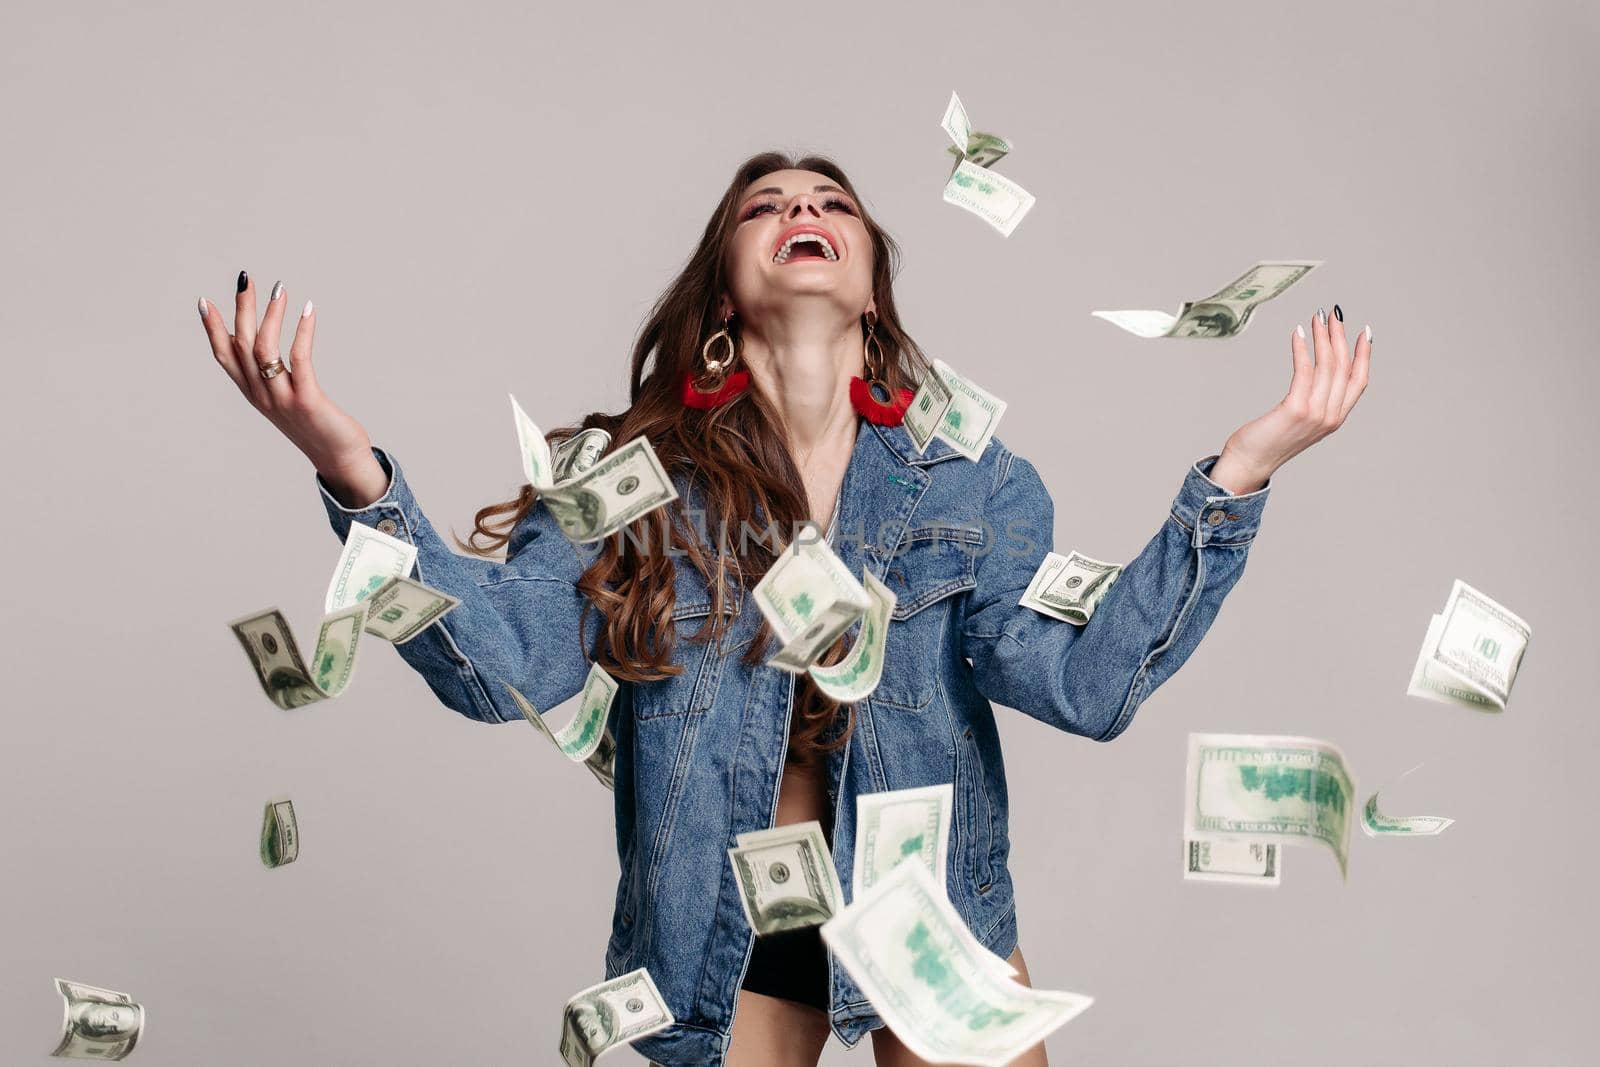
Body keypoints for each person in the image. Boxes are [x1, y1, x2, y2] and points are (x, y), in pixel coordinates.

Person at [197, 151, 1371, 1067]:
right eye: (765, 204)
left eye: (831, 203)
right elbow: (507, 668)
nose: (801, 209)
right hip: (724, 926)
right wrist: (356, 475)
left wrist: (1237, 475)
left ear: (871, 283)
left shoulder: (973, 478)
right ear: (723, 285)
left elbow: (1083, 683)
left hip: (929, 910)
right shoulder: (625, 472)